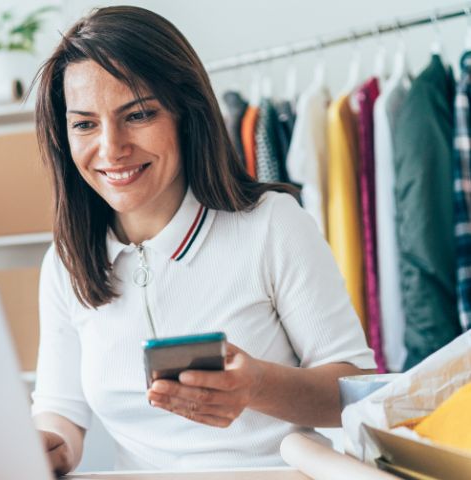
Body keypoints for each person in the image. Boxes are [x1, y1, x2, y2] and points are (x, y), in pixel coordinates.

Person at [30, 6, 376, 475]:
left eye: (138, 114)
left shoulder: (273, 225)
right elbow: (61, 409)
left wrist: (257, 385)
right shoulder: (66, 263)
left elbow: (355, 391)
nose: (111, 148)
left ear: (185, 113)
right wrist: (51, 447)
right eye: (85, 124)